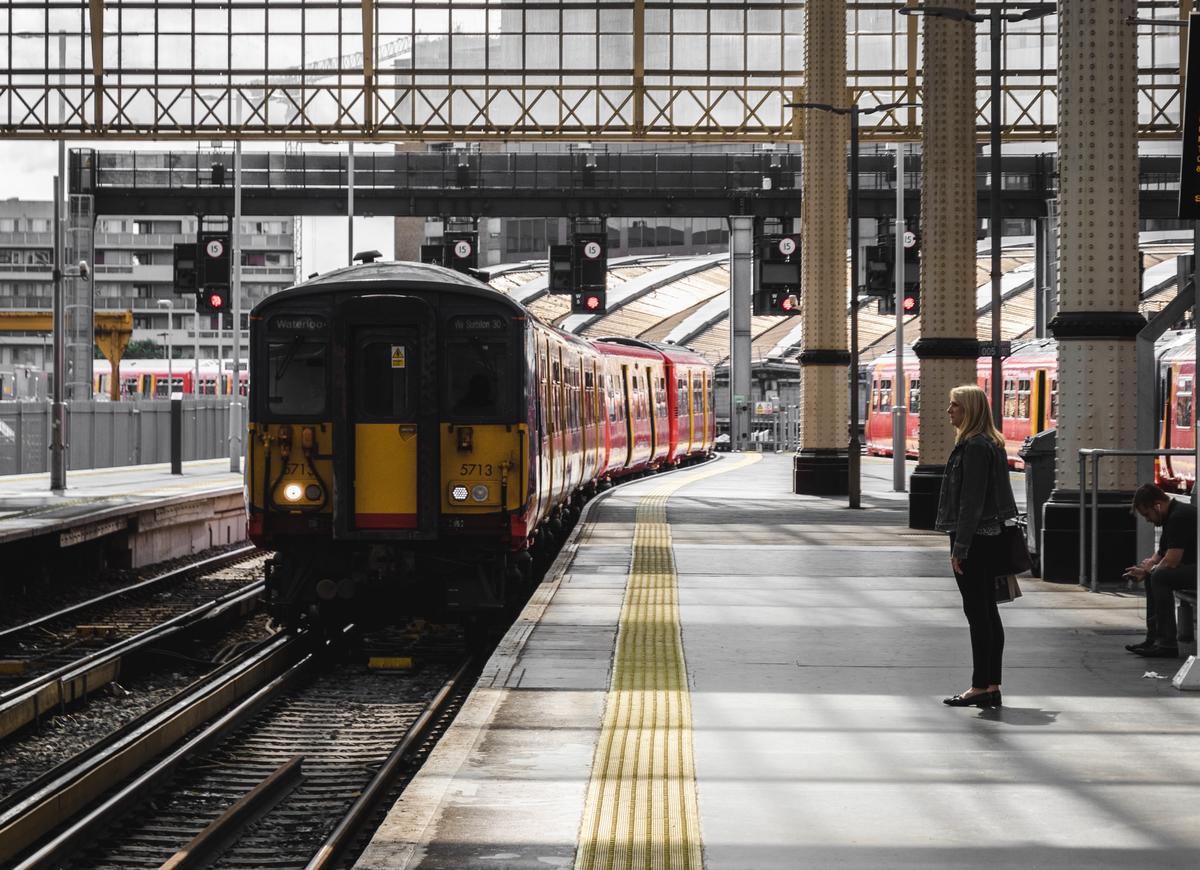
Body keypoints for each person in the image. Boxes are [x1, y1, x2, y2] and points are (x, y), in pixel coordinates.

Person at [935, 384, 1019, 708]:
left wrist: (960, 548)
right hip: (990, 537)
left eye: (954, 405)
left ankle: (979, 686)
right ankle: (991, 684)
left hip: (975, 541)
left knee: (978, 614)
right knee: (988, 613)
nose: (949, 411)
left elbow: (970, 503)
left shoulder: (974, 447)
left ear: (968, 410)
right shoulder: (991, 444)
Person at [1124, 484, 1197, 658]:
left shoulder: (1179, 516)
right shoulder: (1171, 515)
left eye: (1147, 514)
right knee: (1155, 575)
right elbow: (1161, 553)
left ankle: (1167, 643)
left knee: (1160, 575)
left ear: (1157, 506)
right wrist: (1144, 570)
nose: (1148, 519)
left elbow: (1171, 561)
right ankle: (1154, 639)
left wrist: (1152, 570)